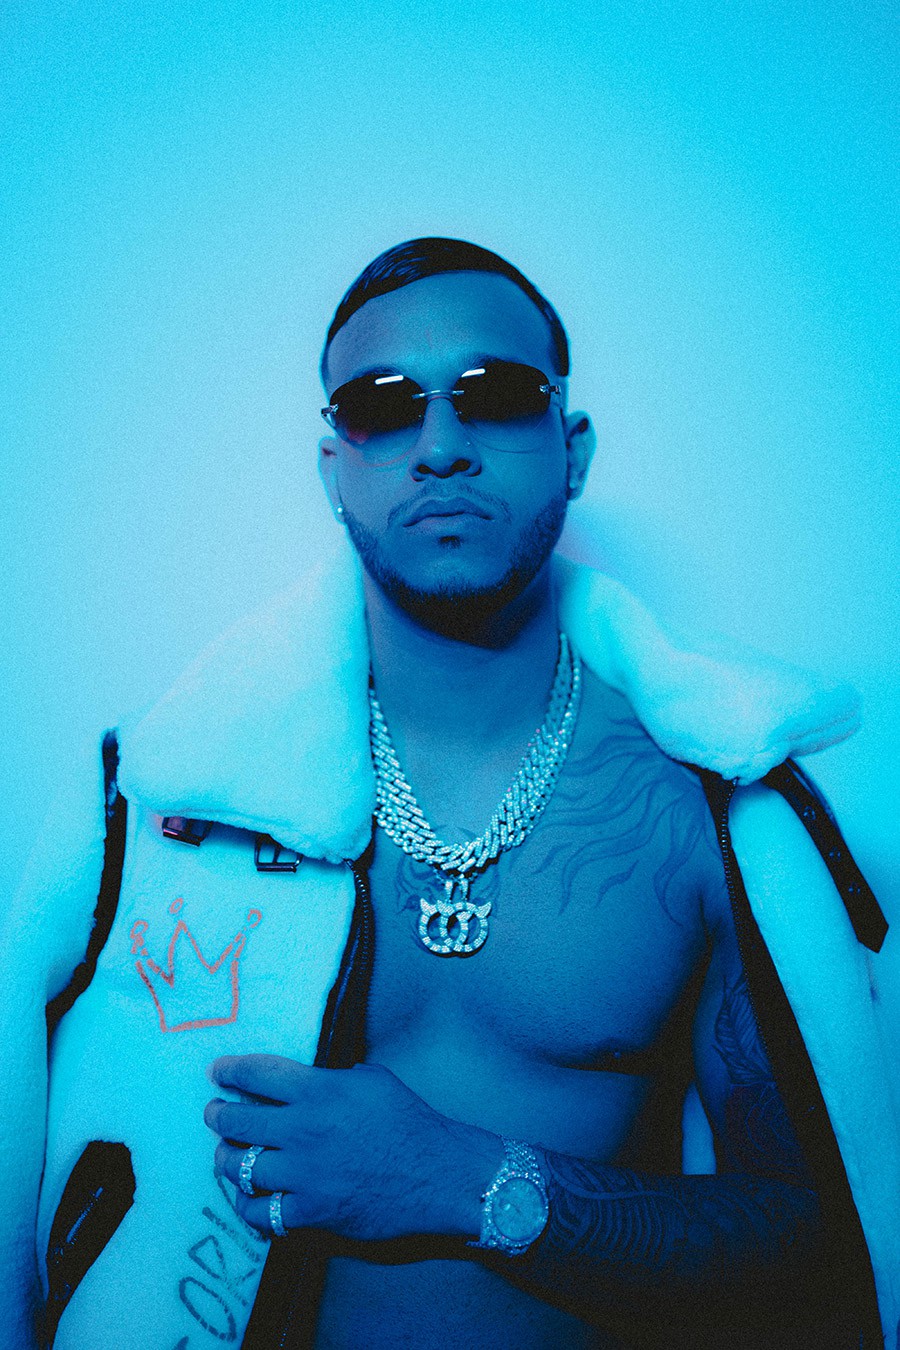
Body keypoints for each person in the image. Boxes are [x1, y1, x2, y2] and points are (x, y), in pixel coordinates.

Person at [3, 238, 897, 1349]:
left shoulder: (702, 817)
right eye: (381, 407)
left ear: (572, 449)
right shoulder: (161, 810)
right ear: (332, 468)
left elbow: (817, 1250)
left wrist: (465, 1181)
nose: (440, 446)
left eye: (496, 395)